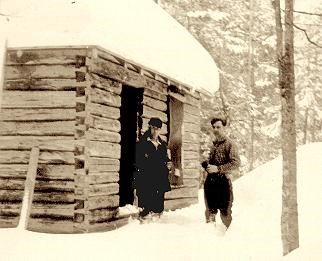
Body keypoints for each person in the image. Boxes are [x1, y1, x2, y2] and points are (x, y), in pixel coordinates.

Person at [202, 117, 240, 229]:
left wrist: (218, 169)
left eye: (218, 127)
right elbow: (211, 163)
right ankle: (209, 237)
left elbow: (236, 163)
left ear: (224, 128)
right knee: (210, 212)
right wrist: (206, 165)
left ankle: (227, 240)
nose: (215, 129)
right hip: (211, 182)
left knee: (225, 213)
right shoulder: (213, 144)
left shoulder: (230, 144)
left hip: (223, 182)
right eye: (214, 127)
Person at [133, 117, 171, 221]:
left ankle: (156, 223)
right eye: (153, 128)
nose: (155, 131)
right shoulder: (141, 143)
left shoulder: (163, 145)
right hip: (146, 180)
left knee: (158, 208)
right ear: (149, 127)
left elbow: (167, 160)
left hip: (159, 180)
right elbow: (137, 163)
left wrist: (168, 165)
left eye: (158, 129)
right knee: (145, 209)